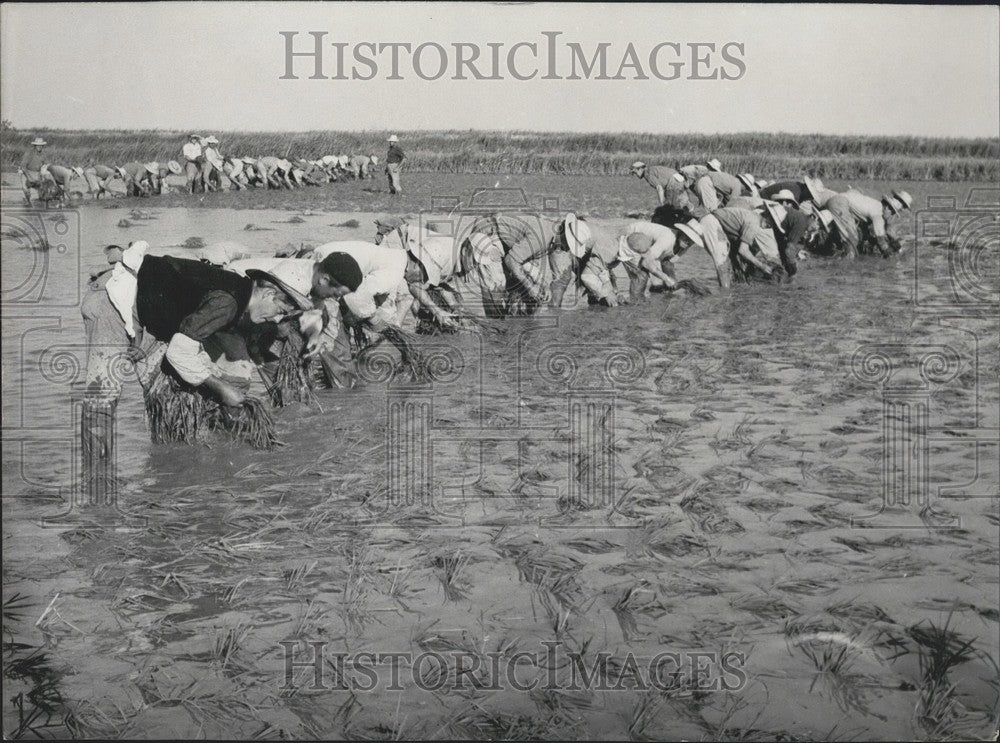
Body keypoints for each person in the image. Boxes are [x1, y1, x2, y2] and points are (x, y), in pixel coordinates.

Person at [467, 212, 559, 314]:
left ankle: (512, 322)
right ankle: (495, 324)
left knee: (523, 292)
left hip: (506, 242)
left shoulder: (551, 239)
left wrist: (544, 285)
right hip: (488, 232)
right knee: (496, 289)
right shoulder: (542, 238)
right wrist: (531, 287)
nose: (567, 250)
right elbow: (511, 261)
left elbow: (528, 265)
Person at [548, 213, 622, 308]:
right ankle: (554, 309)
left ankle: (594, 308)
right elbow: (602, 267)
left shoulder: (603, 242)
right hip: (561, 243)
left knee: (594, 279)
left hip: (585, 248)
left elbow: (604, 268)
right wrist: (608, 292)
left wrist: (614, 292)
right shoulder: (605, 243)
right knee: (562, 280)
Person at [616, 220, 704, 300]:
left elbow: (667, 262)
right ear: (681, 232)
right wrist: (666, 279)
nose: (688, 241)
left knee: (665, 284)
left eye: (692, 240)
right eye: (687, 237)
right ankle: (636, 303)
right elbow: (646, 262)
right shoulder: (667, 239)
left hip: (647, 245)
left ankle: (657, 295)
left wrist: (673, 283)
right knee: (641, 276)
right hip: (631, 236)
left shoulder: (684, 245)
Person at [699, 205, 783, 288]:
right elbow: (743, 250)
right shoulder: (754, 224)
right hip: (711, 224)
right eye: (773, 222)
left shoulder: (753, 216)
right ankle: (724, 296)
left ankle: (727, 290)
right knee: (723, 265)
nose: (772, 226)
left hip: (712, 221)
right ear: (767, 214)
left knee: (729, 264)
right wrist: (762, 266)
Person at [19, 137, 49, 205]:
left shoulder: (43, 155)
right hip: (26, 172)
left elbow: (46, 165)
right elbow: (23, 167)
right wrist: (29, 178)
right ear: (35, 146)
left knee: (42, 196)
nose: (39, 147)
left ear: (42, 146)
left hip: (37, 173)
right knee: (26, 189)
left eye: (41, 145)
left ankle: (41, 198)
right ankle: (27, 200)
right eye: (38, 145)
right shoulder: (29, 153)